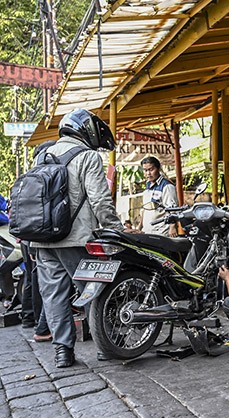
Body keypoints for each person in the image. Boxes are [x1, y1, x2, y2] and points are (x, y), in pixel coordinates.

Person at [31, 108, 124, 367]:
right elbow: (100, 200)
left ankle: (63, 352)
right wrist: (116, 230)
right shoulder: (87, 157)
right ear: (86, 130)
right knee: (94, 293)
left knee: (54, 296)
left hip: (42, 240)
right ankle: (107, 347)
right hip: (76, 240)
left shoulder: (42, 156)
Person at [139, 156, 179, 236]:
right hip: (147, 231)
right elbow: (144, 209)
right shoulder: (147, 186)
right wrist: (140, 226)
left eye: (151, 170)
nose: (148, 173)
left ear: (158, 169)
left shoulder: (167, 186)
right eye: (145, 170)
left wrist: (172, 227)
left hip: (161, 231)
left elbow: (172, 209)